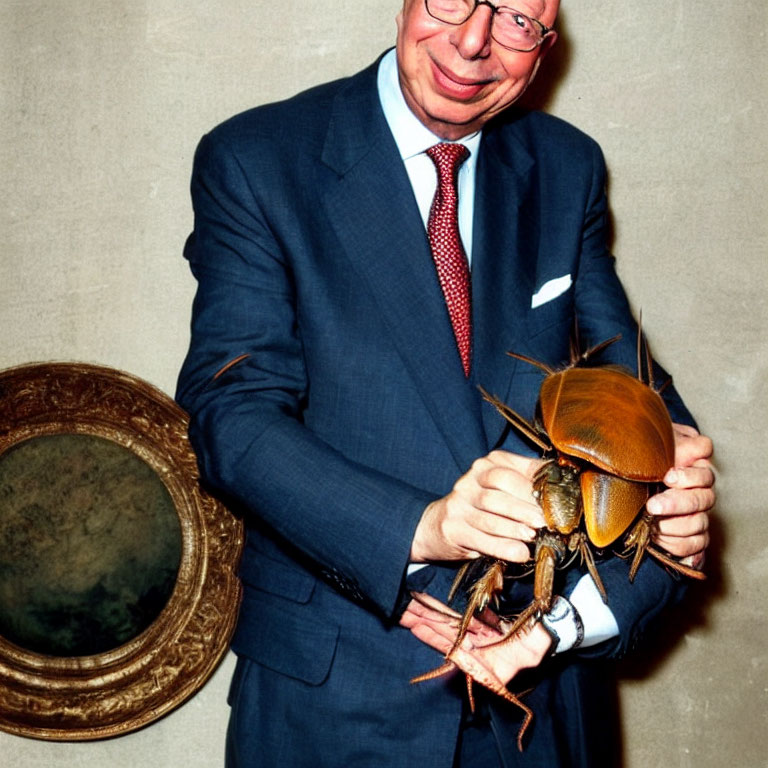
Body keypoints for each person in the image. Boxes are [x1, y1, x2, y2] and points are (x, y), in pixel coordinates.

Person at [176, 1, 714, 765]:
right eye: (453, 0)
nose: (472, 42)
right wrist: (421, 529)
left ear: (548, 44)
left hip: (544, 710)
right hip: (335, 707)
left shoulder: (568, 168)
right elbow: (232, 416)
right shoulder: (257, 158)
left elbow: (640, 410)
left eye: (518, 22)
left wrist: (577, 609)